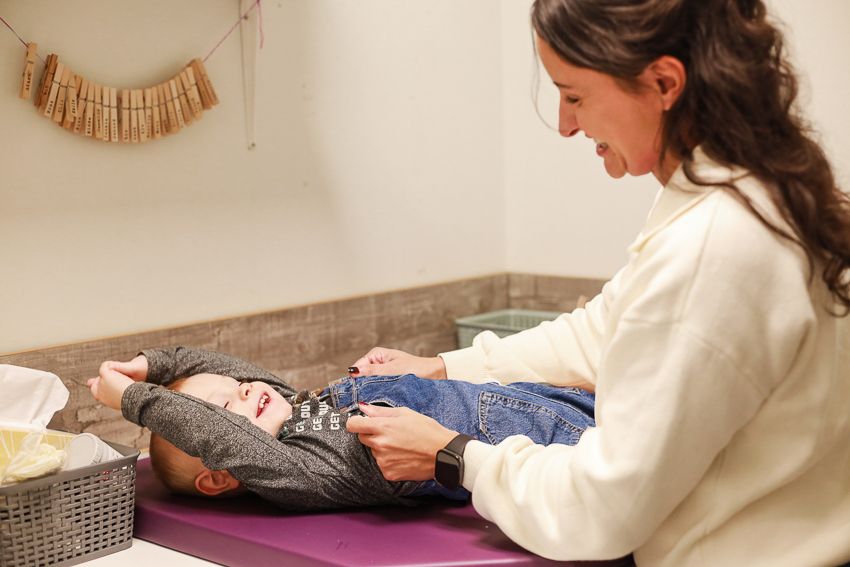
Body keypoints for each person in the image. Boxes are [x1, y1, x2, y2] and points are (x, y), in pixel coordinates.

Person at [345, 0, 850, 565]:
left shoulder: (716, 246)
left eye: (575, 95)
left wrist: (454, 456)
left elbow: (599, 510)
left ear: (663, 82)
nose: (566, 125)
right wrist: (442, 367)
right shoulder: (754, 193)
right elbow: (604, 328)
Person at [87, 346, 595, 510]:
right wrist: (135, 400)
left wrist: (152, 365)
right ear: (221, 473)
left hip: (537, 401)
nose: (245, 389)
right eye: (227, 404)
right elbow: (211, 431)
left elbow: (224, 368)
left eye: (239, 385)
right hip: (535, 443)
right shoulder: (299, 468)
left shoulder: (294, 404)